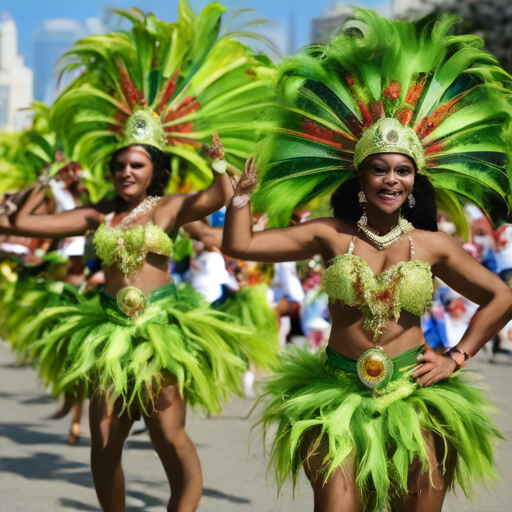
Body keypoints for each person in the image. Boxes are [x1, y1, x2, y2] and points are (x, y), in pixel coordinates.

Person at [222, 10, 512, 512]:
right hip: (336, 392)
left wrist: (457, 356)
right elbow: (241, 247)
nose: (391, 179)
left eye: (402, 171)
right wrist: (241, 200)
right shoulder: (329, 235)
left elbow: (502, 295)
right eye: (379, 169)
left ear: (414, 182)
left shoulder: (433, 244)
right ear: (360, 178)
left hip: (414, 393)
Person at [6, 4, 275, 511]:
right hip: (108, 331)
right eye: (120, 165)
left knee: (168, 437)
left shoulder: (170, 208)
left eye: (137, 164)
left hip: (159, 331)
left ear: (154, 170)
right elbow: (25, 225)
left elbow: (218, 197)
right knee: (104, 444)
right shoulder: (98, 212)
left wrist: (220, 163)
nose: (126, 172)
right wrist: (24, 199)